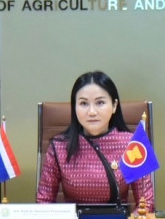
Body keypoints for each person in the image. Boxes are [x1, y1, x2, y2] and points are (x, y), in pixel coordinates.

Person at [36, 71, 153, 210]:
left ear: (114, 105)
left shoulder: (133, 143)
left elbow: (147, 204)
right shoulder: (58, 146)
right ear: (74, 107)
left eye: (100, 102)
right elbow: (43, 203)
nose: (92, 112)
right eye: (83, 103)